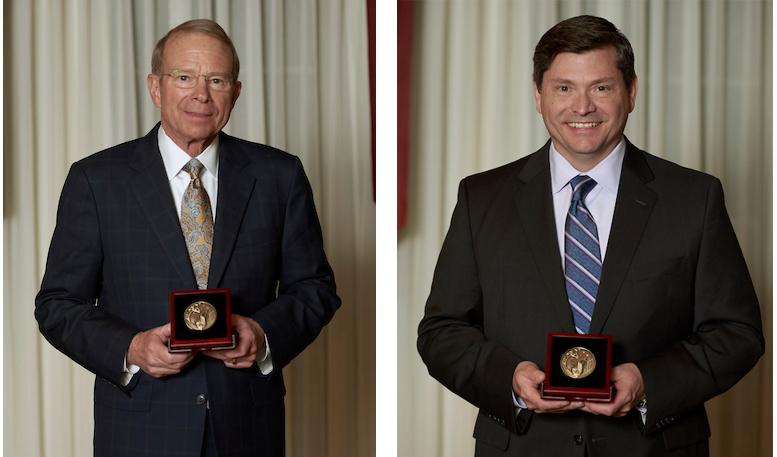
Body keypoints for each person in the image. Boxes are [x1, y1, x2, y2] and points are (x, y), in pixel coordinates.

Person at [417, 15, 763, 457]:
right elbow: (441, 331)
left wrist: (647, 383)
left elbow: (738, 332)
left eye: (601, 87)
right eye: (564, 88)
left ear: (631, 92)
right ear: (538, 95)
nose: (582, 107)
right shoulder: (482, 198)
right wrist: (509, 379)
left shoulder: (695, 198)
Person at [35, 19, 340, 457]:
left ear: (235, 93)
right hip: (140, 430)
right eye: (184, 77)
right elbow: (57, 305)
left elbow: (315, 289)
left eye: (216, 80)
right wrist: (132, 348)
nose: (201, 93)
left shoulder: (279, 176)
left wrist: (263, 334)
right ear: (155, 87)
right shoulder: (97, 180)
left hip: (247, 429)